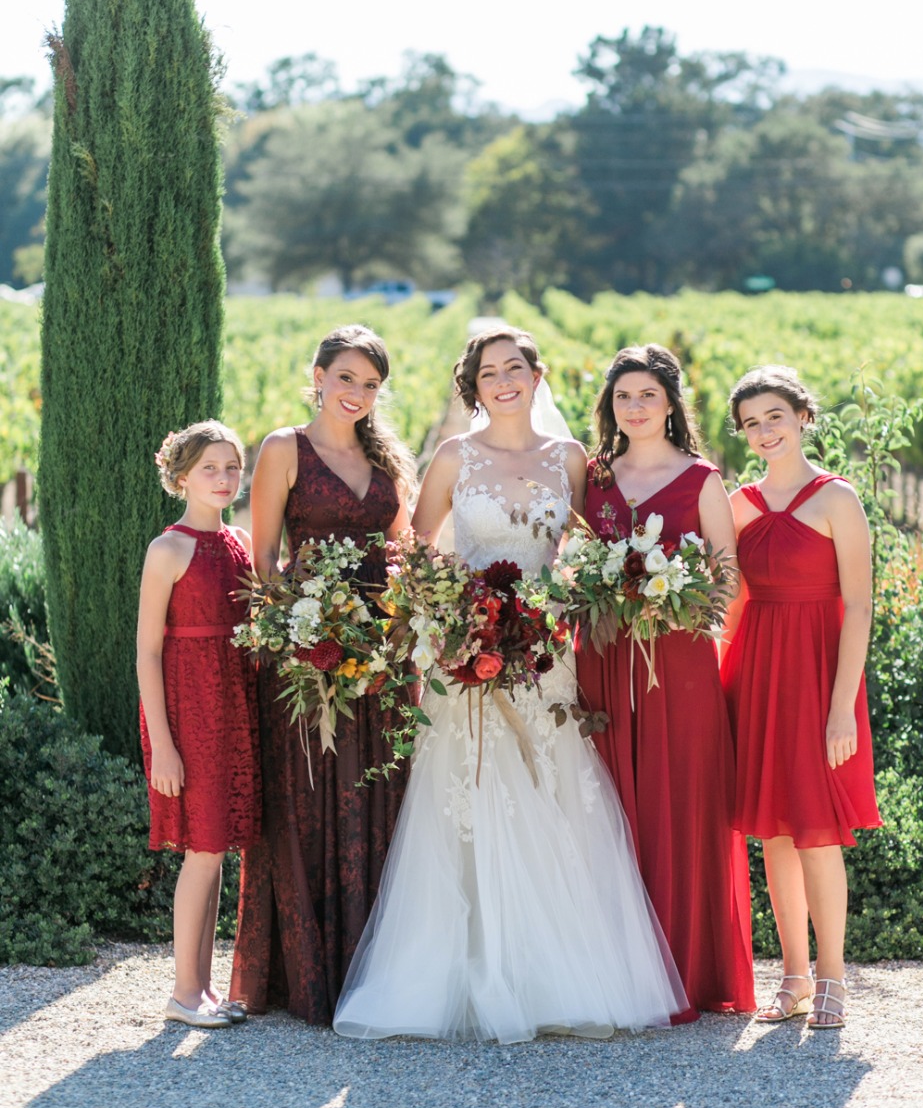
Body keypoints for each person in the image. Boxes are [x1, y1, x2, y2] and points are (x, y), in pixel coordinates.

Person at [334, 328, 693, 1042]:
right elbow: (411, 554)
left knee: (549, 787)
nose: (502, 381)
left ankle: (556, 974)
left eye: (514, 368)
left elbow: (604, 541)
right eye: (488, 372)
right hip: (463, 652)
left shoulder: (570, 460)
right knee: (463, 796)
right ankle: (462, 972)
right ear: (474, 385)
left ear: (538, 375)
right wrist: (448, 618)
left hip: (545, 652)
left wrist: (593, 593)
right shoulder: (452, 457)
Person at [229, 325, 414, 1025]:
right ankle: (306, 977)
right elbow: (263, 560)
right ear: (317, 375)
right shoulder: (284, 449)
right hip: (308, 658)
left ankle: (373, 971)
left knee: (376, 797)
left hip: (380, 661)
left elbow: (403, 555)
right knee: (308, 798)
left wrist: (394, 624)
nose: (357, 394)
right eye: (346, 378)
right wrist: (307, 632)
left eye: (370, 384)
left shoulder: (389, 461)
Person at [575, 345, 756, 1014]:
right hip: (602, 654)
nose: (635, 407)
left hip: (679, 659)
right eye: (623, 396)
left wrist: (680, 600)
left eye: (647, 394)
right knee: (612, 796)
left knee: (682, 800)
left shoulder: (702, 478)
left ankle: (689, 969)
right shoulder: (593, 477)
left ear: (673, 402)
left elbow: (728, 569)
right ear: (610, 406)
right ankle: (616, 971)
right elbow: (575, 555)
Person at [721, 366, 883, 1030]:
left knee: (817, 832)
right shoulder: (738, 504)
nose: (765, 431)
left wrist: (842, 705)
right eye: (752, 423)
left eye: (775, 416)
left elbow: (860, 605)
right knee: (774, 834)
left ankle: (833, 978)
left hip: (820, 678)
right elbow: (730, 604)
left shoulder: (836, 498)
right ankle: (790, 976)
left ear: (803, 417)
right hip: (756, 673)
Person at [137, 420, 260, 1029]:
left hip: (234, 702)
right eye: (209, 468)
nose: (223, 478)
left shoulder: (239, 541)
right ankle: (184, 994)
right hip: (190, 710)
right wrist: (162, 744)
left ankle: (203, 988)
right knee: (204, 849)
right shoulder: (169, 548)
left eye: (232, 467)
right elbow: (147, 651)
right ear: (182, 476)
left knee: (217, 850)